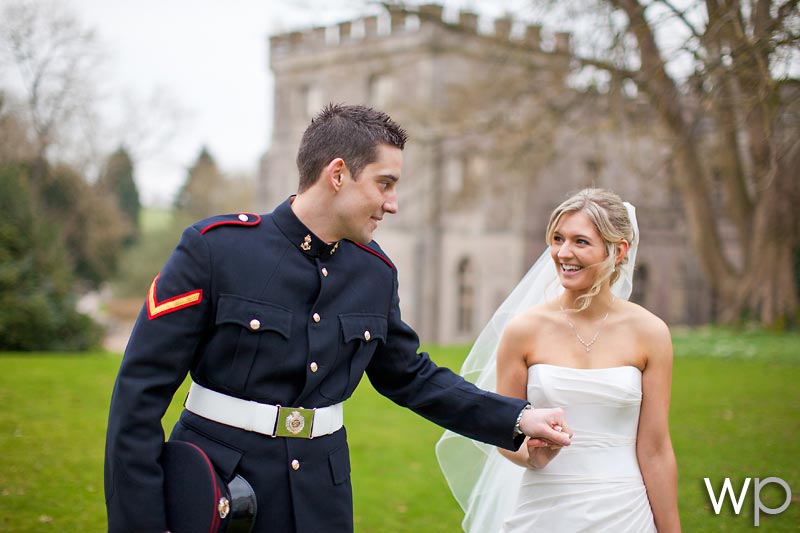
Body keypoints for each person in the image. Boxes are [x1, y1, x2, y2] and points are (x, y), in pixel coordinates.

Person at [103, 103, 572, 533]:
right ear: (338, 174)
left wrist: (517, 417)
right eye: (384, 184)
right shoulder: (215, 249)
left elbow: (411, 376)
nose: (392, 203)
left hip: (321, 498)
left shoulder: (375, 273)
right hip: (218, 491)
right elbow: (138, 395)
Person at [437, 188, 680, 532]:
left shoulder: (650, 333)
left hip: (624, 509)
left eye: (581, 242)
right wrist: (529, 455)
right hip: (545, 508)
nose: (563, 253)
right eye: (557, 239)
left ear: (619, 251)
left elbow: (655, 448)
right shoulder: (524, 330)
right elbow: (502, 432)